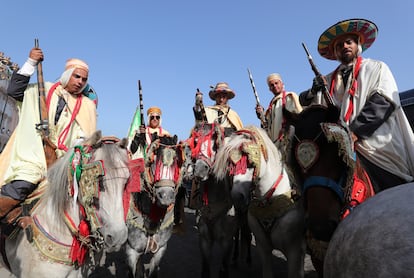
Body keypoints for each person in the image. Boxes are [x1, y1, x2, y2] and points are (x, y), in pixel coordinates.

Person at [299, 18, 414, 193]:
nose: (344, 47)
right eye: (339, 46)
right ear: (335, 52)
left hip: (375, 146)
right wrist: (312, 91)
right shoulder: (328, 79)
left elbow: (383, 102)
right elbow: (306, 103)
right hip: (339, 148)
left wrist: (353, 133)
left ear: (358, 44)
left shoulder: (377, 67)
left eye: (348, 42)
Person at [0, 46, 97, 220]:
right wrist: (31, 62)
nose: (80, 81)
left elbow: (85, 140)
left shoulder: (86, 106)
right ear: (67, 75)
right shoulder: (44, 89)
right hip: (32, 156)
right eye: (77, 76)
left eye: (84, 79)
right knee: (22, 185)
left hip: (62, 163)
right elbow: (14, 91)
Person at [256, 73, 303, 145]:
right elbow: (266, 127)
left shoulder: (289, 96)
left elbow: (299, 116)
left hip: (287, 141)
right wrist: (261, 116)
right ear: (270, 89)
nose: (274, 86)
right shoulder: (270, 107)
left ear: (282, 84)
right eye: (272, 85)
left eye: (276, 83)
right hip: (274, 145)